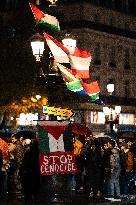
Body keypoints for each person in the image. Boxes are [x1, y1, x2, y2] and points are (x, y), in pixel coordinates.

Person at [19, 139, 40, 205]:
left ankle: (27, 200)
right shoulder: (40, 153)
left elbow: (24, 164)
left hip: (28, 173)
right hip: (36, 173)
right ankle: (34, 200)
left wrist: (22, 172)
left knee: (28, 189)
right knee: (35, 189)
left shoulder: (28, 152)